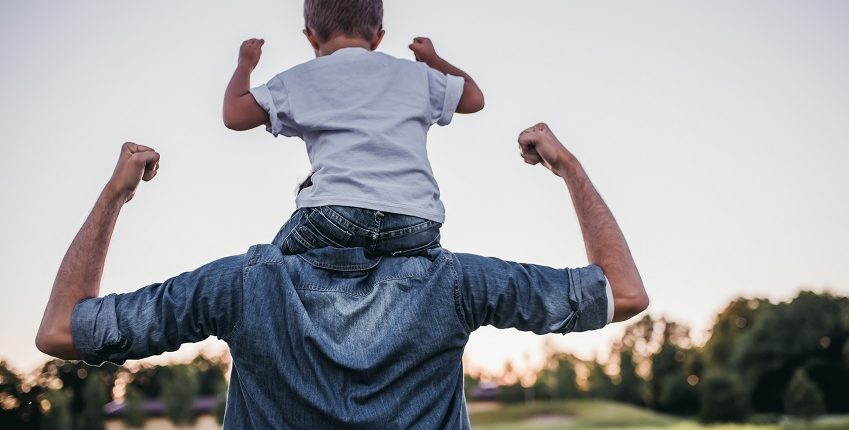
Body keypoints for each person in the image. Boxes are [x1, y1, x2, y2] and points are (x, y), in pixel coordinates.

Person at [36, 123, 649, 429]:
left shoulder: (241, 285)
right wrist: (568, 168)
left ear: (305, 200)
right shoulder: (455, 283)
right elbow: (623, 293)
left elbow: (63, 330)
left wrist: (115, 196)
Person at [222, 0, 485, 257]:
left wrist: (245, 63)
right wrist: (432, 59)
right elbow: (474, 98)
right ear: (378, 37)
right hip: (416, 221)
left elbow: (234, 115)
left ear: (311, 37)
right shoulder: (414, 74)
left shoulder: (301, 78)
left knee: (268, 267)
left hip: (336, 215)